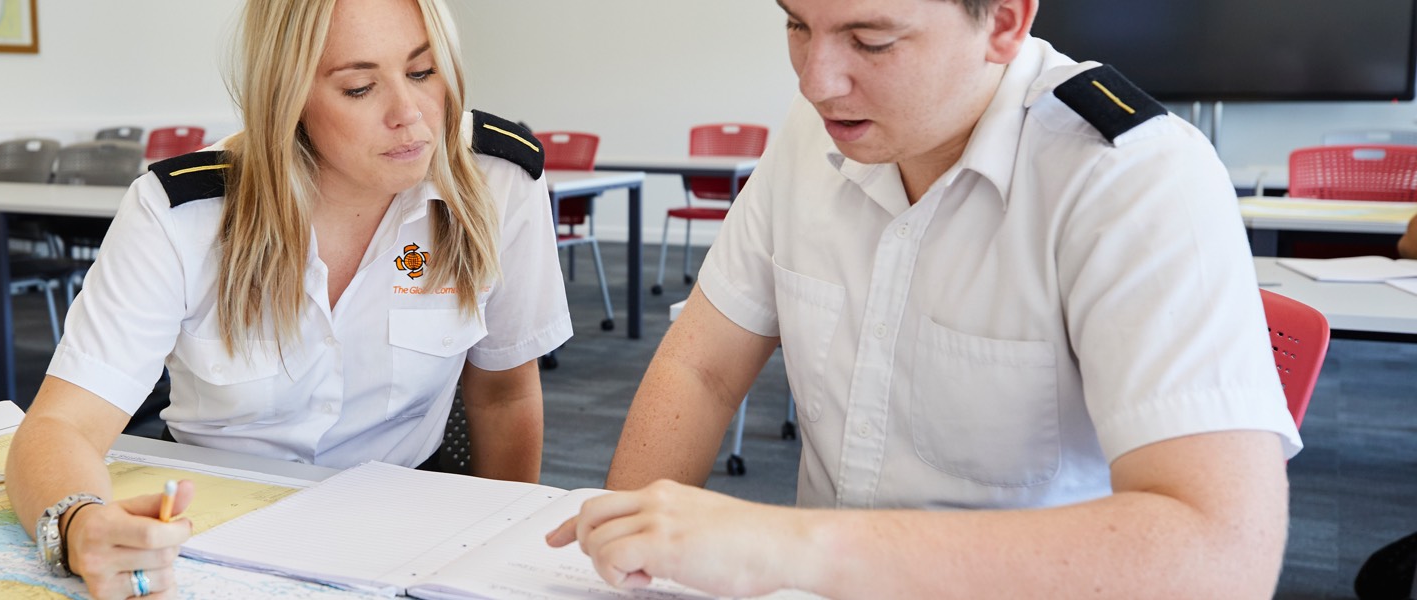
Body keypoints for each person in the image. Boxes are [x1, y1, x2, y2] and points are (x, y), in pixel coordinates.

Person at [547, 0, 1303, 597]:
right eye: (797, 25)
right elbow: (702, 369)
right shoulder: (817, 134)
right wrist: (622, 562)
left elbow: (1221, 554)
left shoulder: (1133, 177)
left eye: (871, 42)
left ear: (1003, 22)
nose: (816, 82)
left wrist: (784, 547)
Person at [3, 0, 571, 596]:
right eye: (359, 88)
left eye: (423, 72)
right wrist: (78, 524)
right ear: (287, 96)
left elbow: (504, 394)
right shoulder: (183, 215)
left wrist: (502, 565)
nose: (410, 114)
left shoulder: (497, 179)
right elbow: (61, 425)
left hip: (403, 529)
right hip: (214, 531)